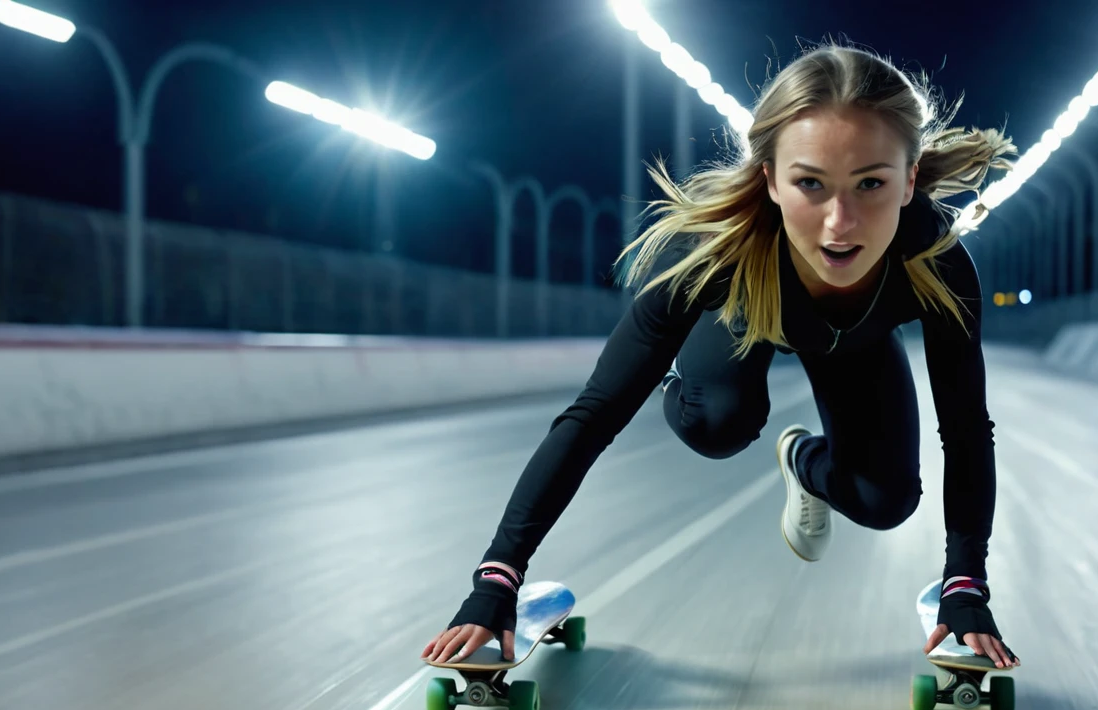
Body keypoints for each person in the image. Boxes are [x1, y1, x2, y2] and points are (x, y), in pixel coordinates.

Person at [422, 41, 1022, 671]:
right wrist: (497, 578)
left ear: (911, 181)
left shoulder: (939, 262)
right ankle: (688, 385)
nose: (839, 224)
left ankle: (802, 458)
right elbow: (594, 414)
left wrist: (966, 583)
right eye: (810, 183)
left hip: (858, 344)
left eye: (870, 183)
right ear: (770, 180)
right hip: (743, 315)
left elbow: (964, 428)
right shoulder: (708, 254)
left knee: (887, 502)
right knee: (720, 424)